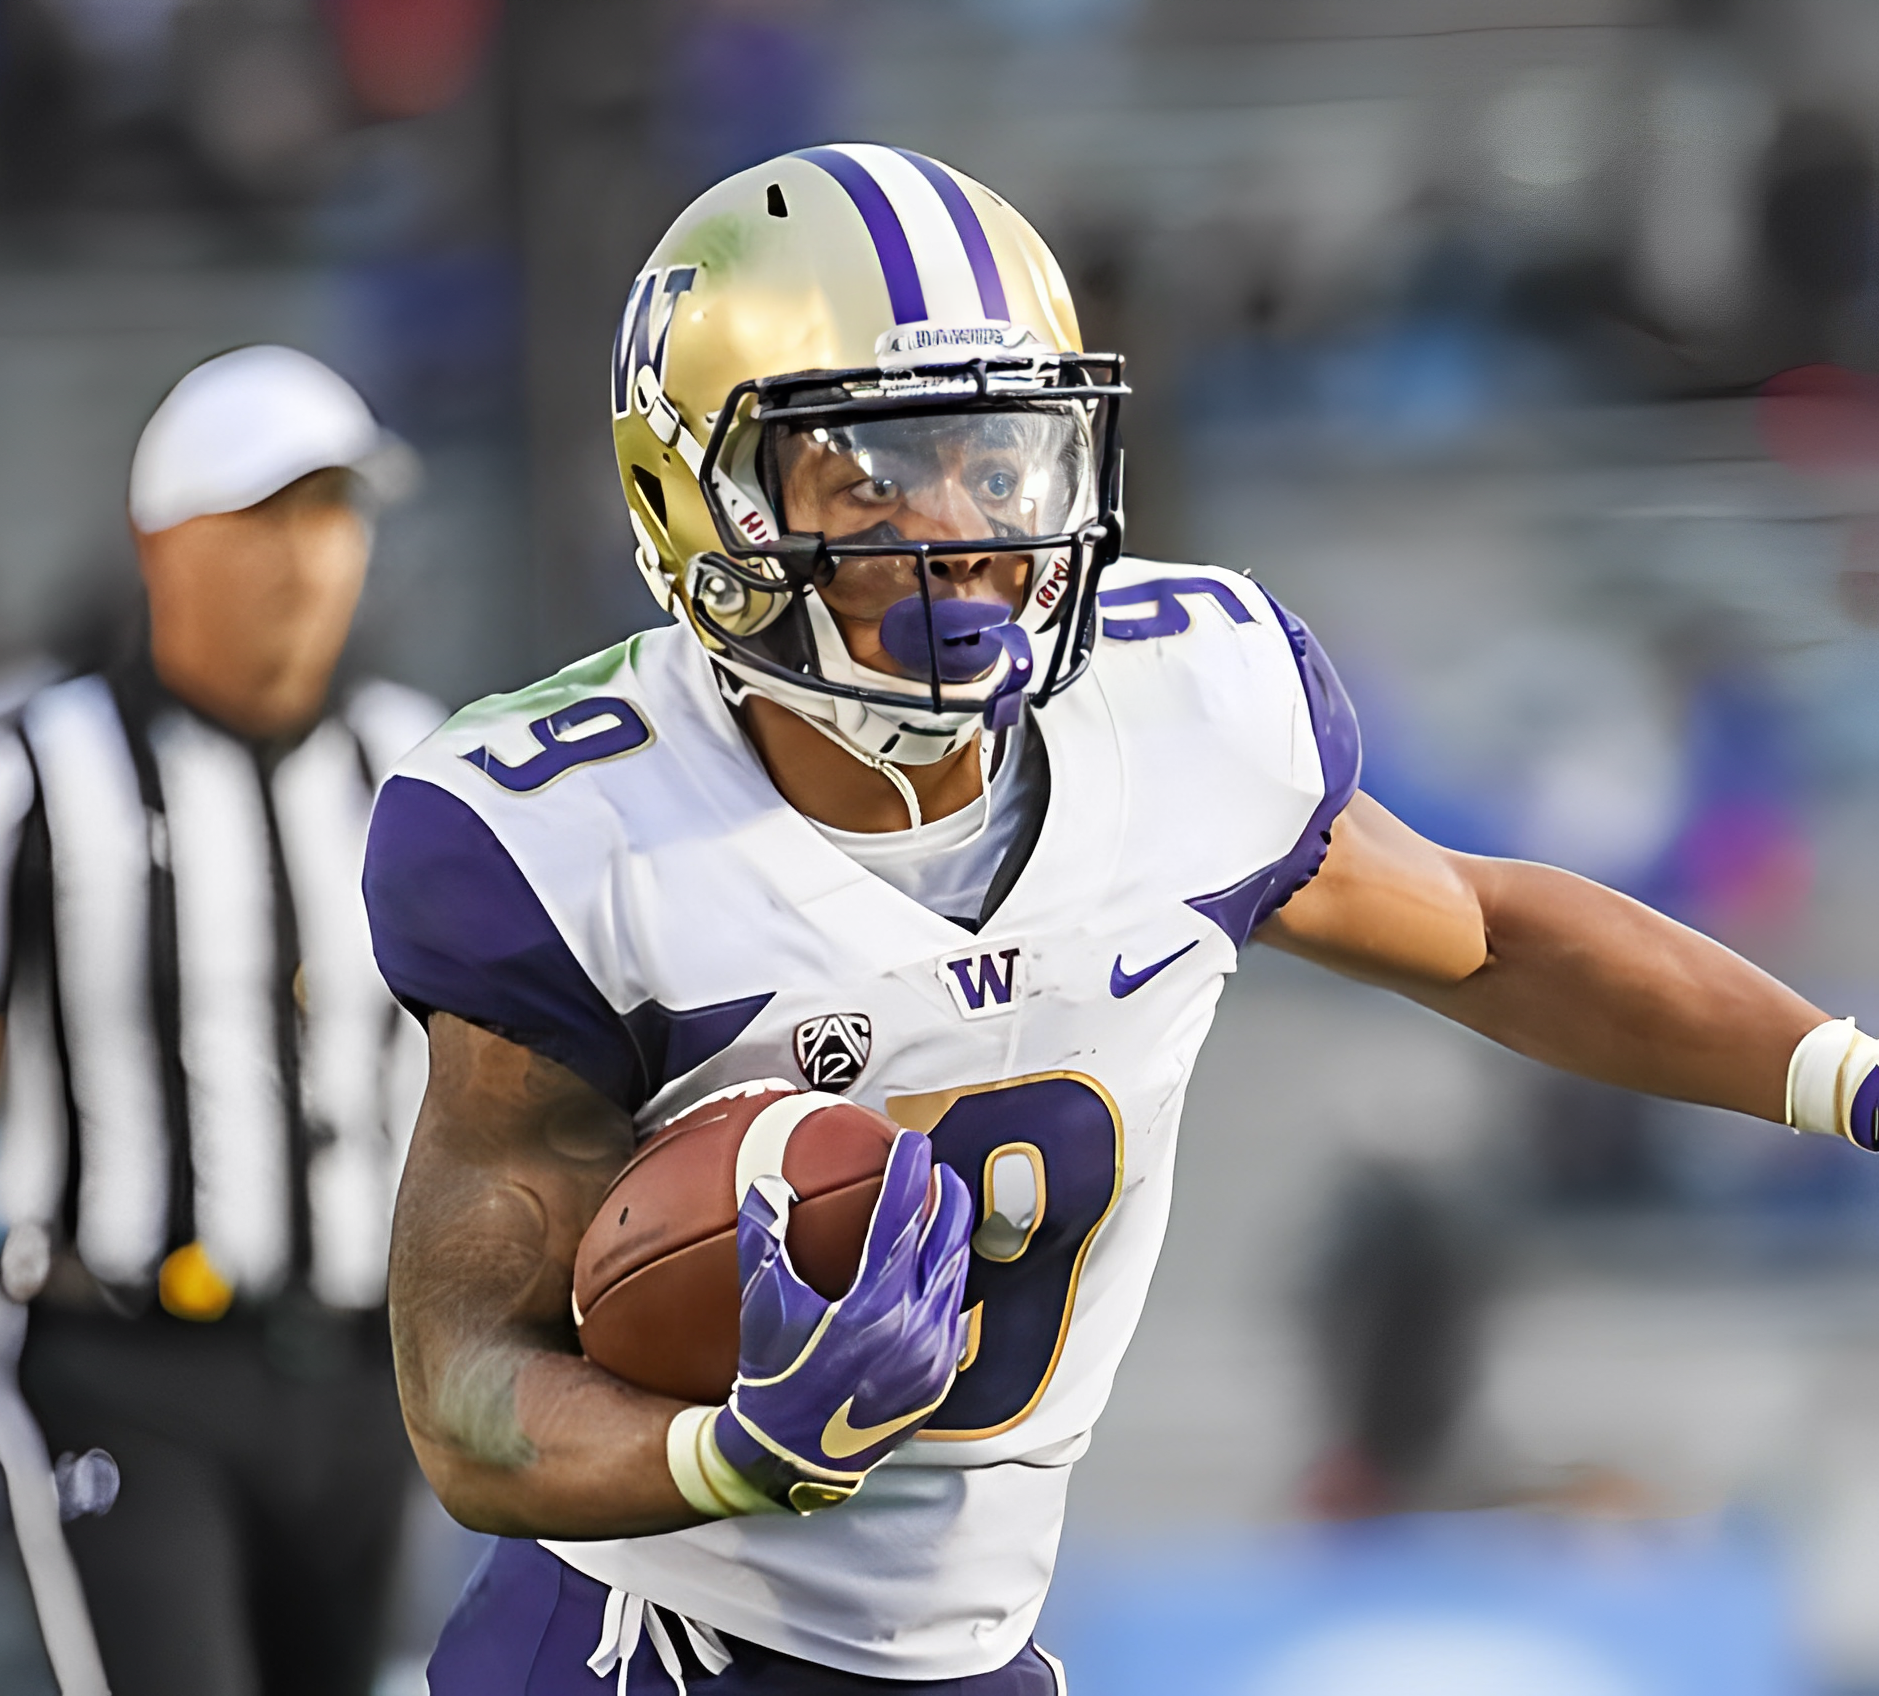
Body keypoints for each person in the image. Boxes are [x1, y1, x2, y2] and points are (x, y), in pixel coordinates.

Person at [363, 146, 1863, 1693]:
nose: (964, 533)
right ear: (706, 503)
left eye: (1001, 462)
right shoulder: (573, 830)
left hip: (972, 1654)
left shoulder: (1182, 705)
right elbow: (465, 1390)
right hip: (645, 1651)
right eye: (871, 475)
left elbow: (1489, 935)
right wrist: (731, 1449)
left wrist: (1842, 1074)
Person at [0, 344, 443, 1696]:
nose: (308, 557)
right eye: (267, 513)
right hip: (123, 1364)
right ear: (161, 539)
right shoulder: (29, 778)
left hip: (367, 1377)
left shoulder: (419, 771)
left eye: (336, 513)